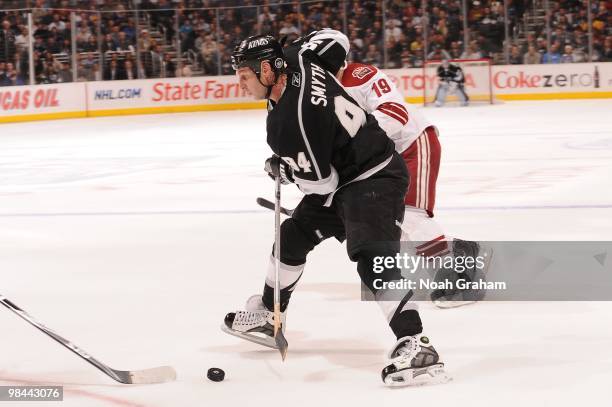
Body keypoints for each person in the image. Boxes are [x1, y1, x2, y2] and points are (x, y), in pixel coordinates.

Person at [223, 34, 450, 387]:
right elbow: (336, 39)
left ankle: (417, 345)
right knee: (292, 236)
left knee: (373, 258)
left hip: (374, 175)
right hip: (348, 170)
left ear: (267, 69)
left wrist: (286, 170)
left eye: (245, 76)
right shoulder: (300, 55)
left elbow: (322, 185)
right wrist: (297, 47)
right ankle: (270, 314)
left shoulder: (288, 125)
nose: (239, 83)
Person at [297, 29, 490, 307]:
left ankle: (461, 277)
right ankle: (459, 250)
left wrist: (357, 148)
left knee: (410, 215)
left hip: (411, 142)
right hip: (381, 156)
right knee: (393, 222)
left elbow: (395, 112)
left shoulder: (361, 76)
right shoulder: (318, 92)